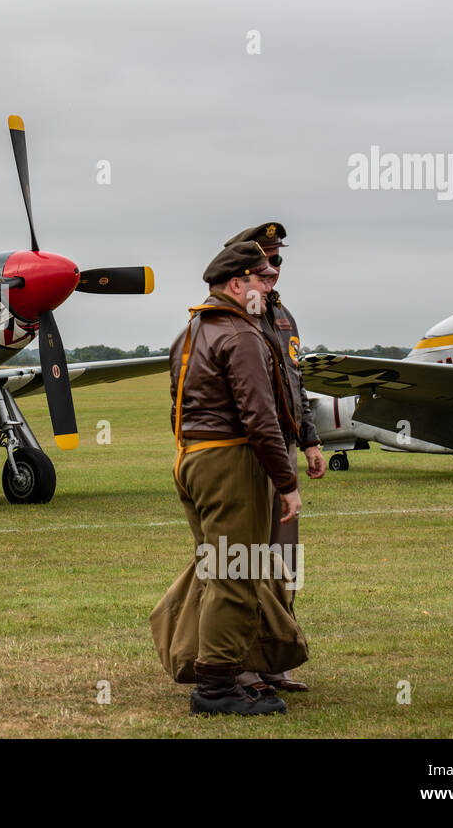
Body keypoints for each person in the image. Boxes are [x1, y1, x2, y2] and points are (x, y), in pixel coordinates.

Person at [169, 241, 302, 716]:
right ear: (235, 284)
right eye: (258, 279)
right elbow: (260, 419)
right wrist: (286, 483)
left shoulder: (191, 331)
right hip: (230, 460)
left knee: (217, 566)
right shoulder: (241, 336)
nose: (267, 288)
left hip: (191, 457)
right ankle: (217, 686)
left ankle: (224, 672)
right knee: (236, 570)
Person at [223, 222, 324, 694]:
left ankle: (275, 658)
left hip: (281, 446)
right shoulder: (227, 318)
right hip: (242, 453)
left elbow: (294, 383)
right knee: (241, 558)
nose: (272, 270)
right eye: (264, 262)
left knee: (283, 559)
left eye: (277, 260)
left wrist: (310, 440)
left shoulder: (283, 318)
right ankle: (237, 662)